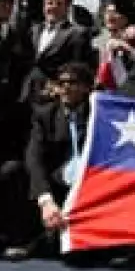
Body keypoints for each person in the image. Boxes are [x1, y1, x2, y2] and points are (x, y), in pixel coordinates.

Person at [25, 63, 94, 250]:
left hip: (91, 182)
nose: (65, 87)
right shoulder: (45, 115)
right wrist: (45, 200)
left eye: (72, 82)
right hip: (59, 183)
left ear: (87, 87)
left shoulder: (97, 113)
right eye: (61, 82)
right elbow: (34, 157)